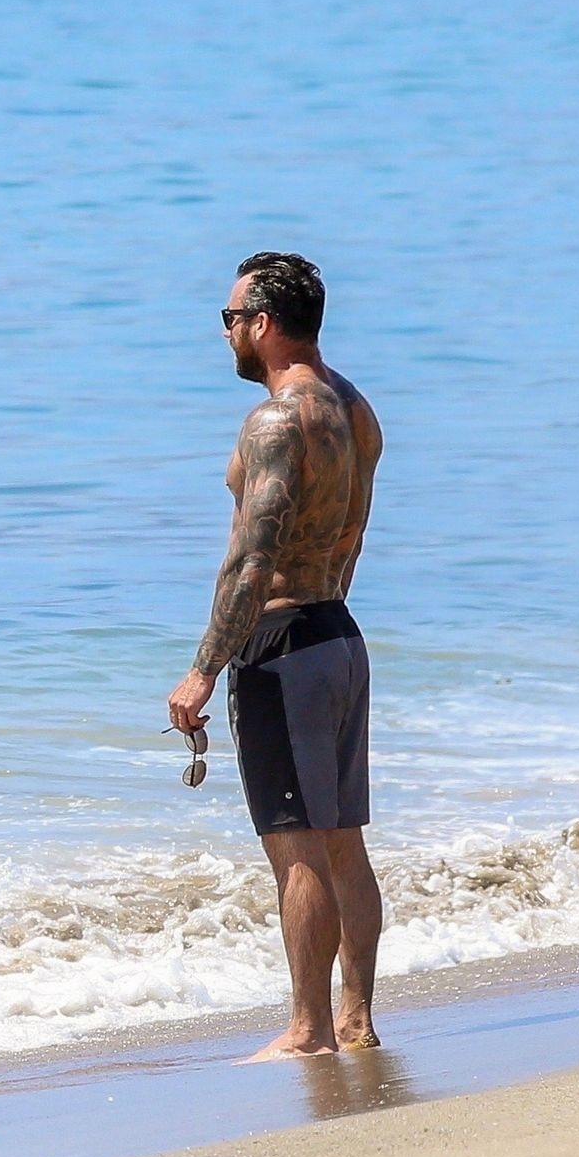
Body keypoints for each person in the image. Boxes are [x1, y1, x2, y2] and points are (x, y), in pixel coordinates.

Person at [166, 253, 385, 1061]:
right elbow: (351, 534)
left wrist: (205, 669)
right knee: (343, 841)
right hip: (337, 633)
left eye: (230, 318)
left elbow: (252, 559)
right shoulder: (354, 411)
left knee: (296, 846)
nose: (225, 332)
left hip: (285, 645)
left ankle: (307, 1030)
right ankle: (355, 1020)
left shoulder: (274, 422)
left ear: (262, 324)